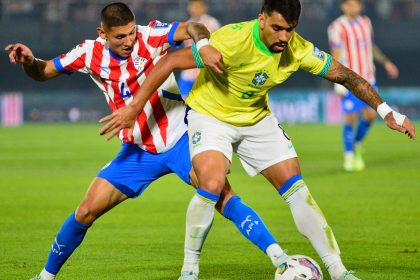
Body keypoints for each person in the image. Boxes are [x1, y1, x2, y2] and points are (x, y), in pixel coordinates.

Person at [99, 0, 416, 279]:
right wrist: (134, 108)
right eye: (277, 28)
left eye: (289, 29)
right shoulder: (231, 39)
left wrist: (387, 111)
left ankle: (338, 270)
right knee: (210, 182)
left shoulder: (298, 49)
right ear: (262, 18)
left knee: (297, 188)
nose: (283, 37)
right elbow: (169, 62)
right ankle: (189, 270)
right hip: (210, 115)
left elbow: (347, 75)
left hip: (255, 116)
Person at [5, 3, 289, 280]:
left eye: (131, 33)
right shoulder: (87, 52)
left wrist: (201, 44)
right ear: (102, 34)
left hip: (182, 139)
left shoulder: (151, 35)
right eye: (120, 36)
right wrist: (30, 62)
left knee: (222, 195)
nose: (129, 40)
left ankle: (282, 259)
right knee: (86, 210)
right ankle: (45, 276)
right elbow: (43, 72)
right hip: (137, 151)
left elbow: (194, 26)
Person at [328, 0, 400, 171]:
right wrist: (338, 82)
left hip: (369, 78)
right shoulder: (336, 27)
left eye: (357, 5)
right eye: (351, 5)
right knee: (351, 117)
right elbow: (335, 54)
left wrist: (386, 63)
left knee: (370, 116)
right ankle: (349, 156)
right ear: (343, 6)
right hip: (350, 80)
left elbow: (371, 47)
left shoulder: (366, 22)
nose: (355, 8)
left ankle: (357, 143)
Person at [178, 0, 220, 97]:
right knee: (181, 102)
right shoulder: (186, 24)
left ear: (204, 7)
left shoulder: (212, 22)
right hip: (188, 71)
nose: (196, 9)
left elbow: (217, 42)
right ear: (189, 8)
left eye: (199, 6)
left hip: (205, 70)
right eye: (193, 6)